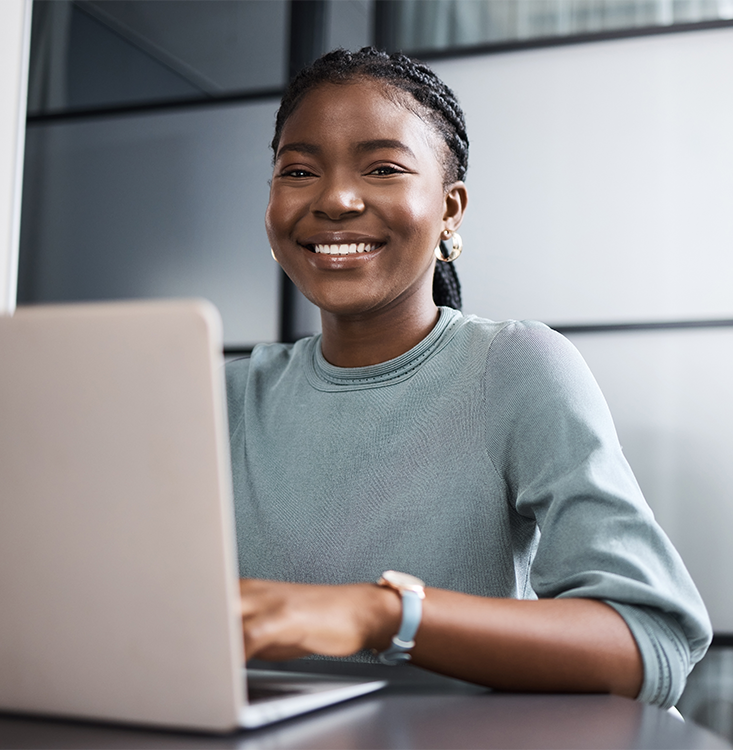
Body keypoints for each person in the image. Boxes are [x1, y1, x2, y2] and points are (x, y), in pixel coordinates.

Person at [225, 47, 711, 708]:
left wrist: (384, 614)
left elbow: (650, 640)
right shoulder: (223, 395)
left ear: (451, 210)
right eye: (300, 170)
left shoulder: (512, 366)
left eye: (384, 168)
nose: (335, 198)